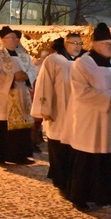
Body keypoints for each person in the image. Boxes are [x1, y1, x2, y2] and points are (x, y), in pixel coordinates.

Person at [66, 23, 111, 212]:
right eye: (106, 44)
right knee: (86, 161)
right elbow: (81, 91)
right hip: (90, 121)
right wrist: (108, 95)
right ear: (95, 44)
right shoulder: (83, 64)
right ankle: (79, 197)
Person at [31, 33, 81, 194]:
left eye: (80, 43)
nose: (78, 46)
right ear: (65, 43)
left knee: (74, 150)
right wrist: (45, 110)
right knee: (58, 147)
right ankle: (61, 182)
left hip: (77, 113)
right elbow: (44, 85)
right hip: (58, 111)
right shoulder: (53, 60)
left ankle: (72, 182)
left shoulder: (82, 62)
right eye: (74, 42)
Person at [0, 26, 37, 165]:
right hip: (4, 97)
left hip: (21, 95)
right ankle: (1, 156)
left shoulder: (24, 56)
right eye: (11, 38)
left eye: (16, 38)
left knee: (22, 128)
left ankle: (20, 155)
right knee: (3, 126)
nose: (15, 40)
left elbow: (33, 70)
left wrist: (27, 75)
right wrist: (12, 77)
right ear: (2, 40)